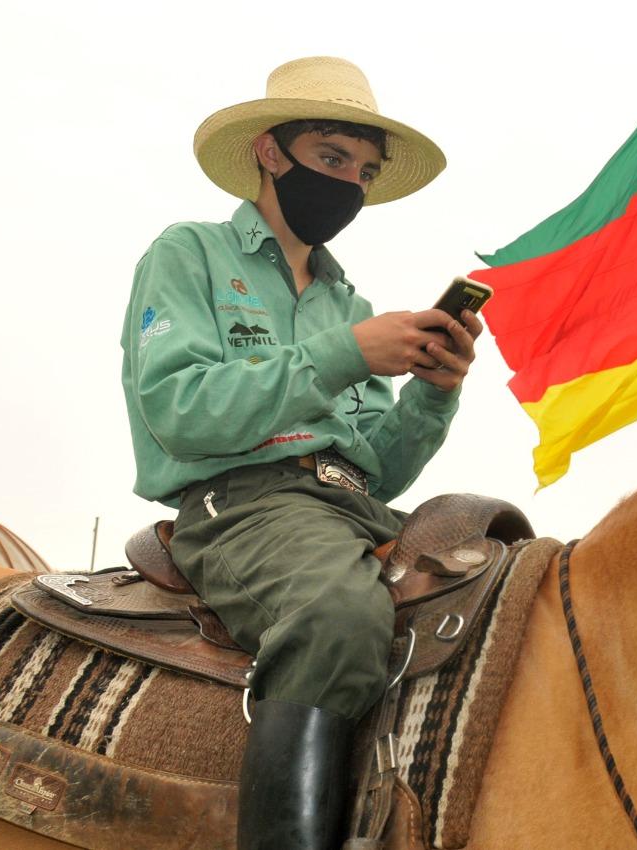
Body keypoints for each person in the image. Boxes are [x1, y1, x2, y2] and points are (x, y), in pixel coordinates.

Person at [119, 56, 480, 849]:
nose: (351, 183)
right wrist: (346, 353)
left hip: (349, 505)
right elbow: (179, 409)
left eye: (365, 171)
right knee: (339, 615)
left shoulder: (348, 302)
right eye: (332, 159)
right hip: (240, 505)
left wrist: (433, 391)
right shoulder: (190, 254)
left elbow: (376, 468)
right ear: (270, 152)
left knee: (499, 599)